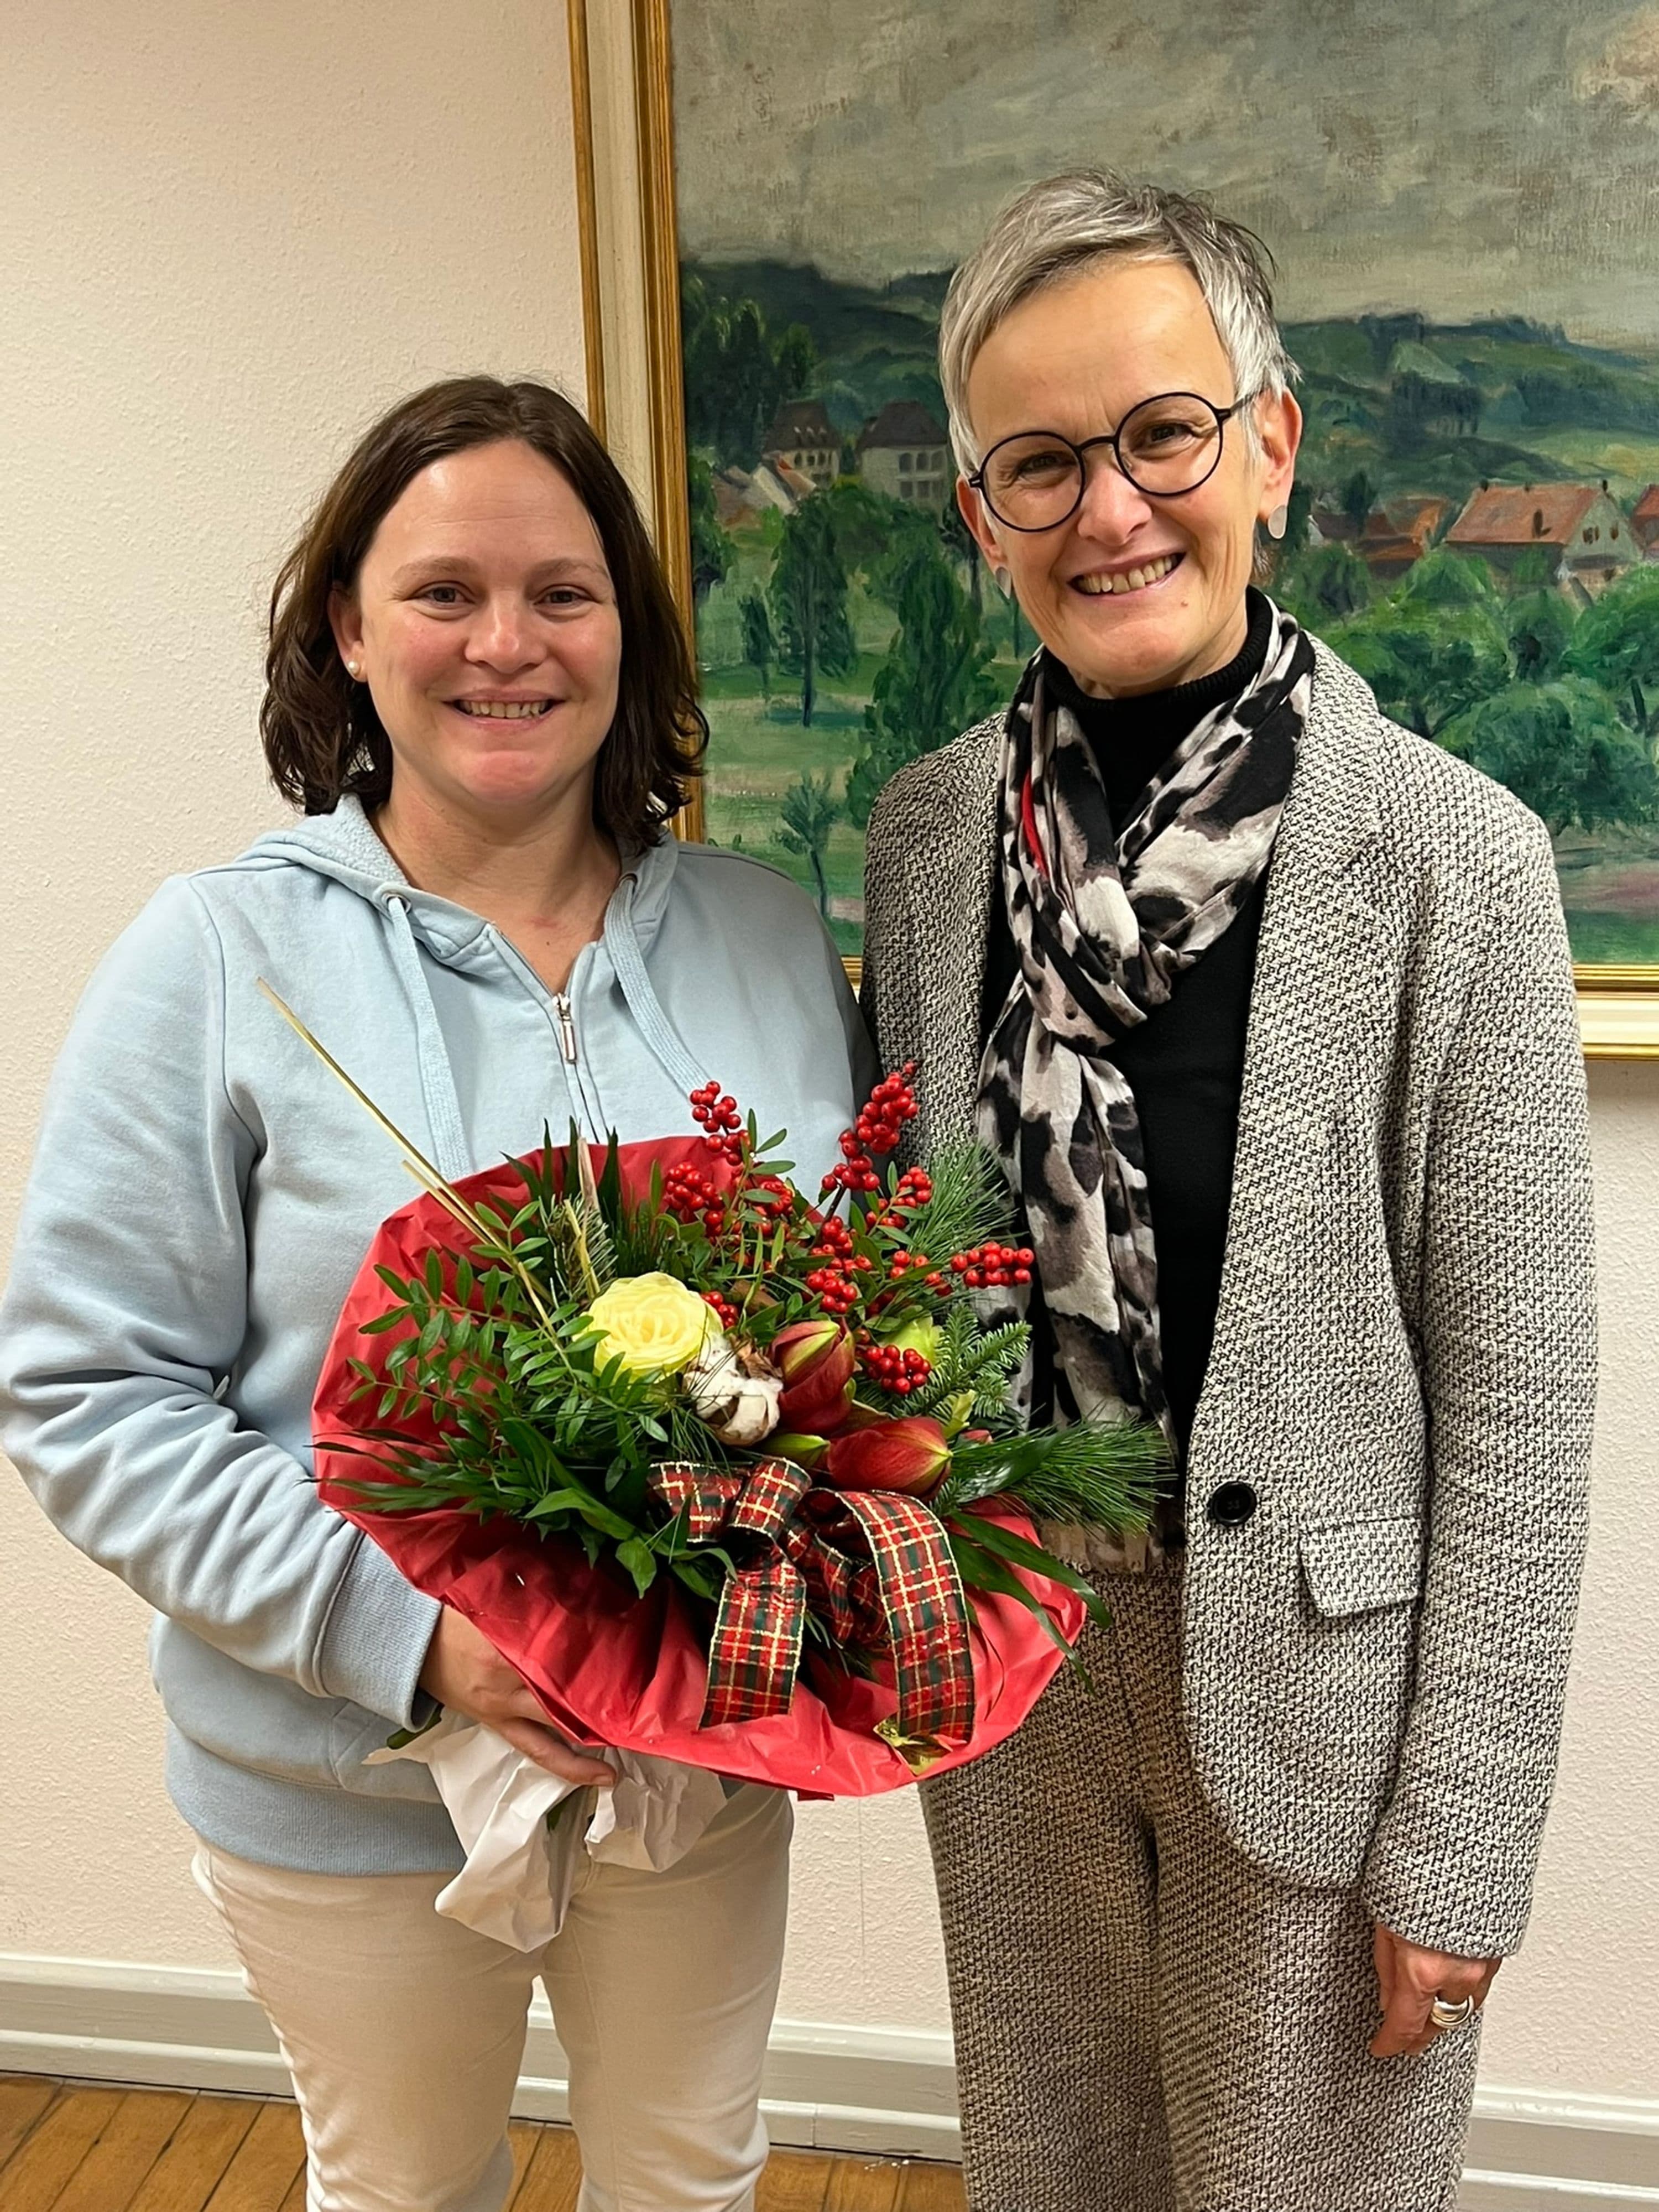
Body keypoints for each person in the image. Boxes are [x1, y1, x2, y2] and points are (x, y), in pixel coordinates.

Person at [1, 376, 872, 2212]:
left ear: (626, 630)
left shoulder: (770, 932)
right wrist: (415, 1636)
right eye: (444, 593)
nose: (506, 644)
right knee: (405, 2196)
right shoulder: (219, 956)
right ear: (348, 625)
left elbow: (852, 1329)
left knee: (691, 2183)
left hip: (694, 1769)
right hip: (352, 1783)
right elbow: (87, 1391)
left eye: (562, 593)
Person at [860, 172, 1596, 2212]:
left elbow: (1520, 1404)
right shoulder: (929, 839)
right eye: (1039, 462)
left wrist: (1463, 1847)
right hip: (1016, 1693)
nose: (1109, 508)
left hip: (1320, 1714)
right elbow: (902, 1276)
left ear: (1268, 445)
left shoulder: (1452, 857)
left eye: (1162, 434)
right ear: (982, 512)